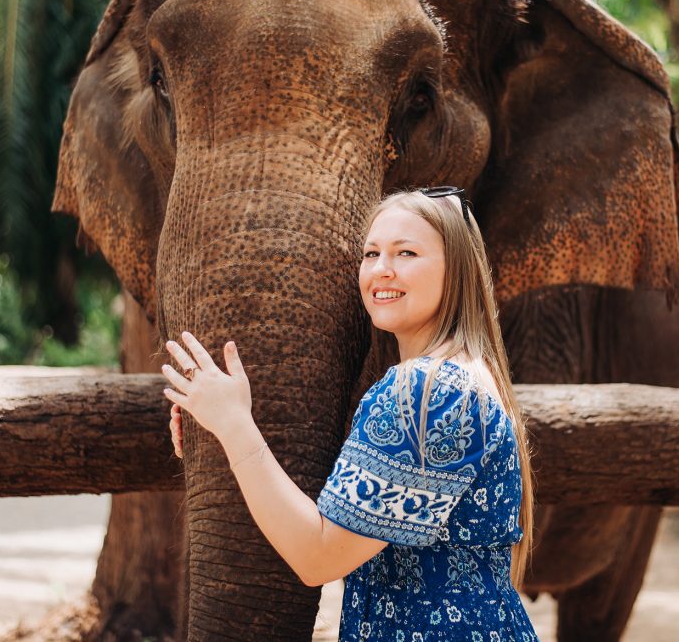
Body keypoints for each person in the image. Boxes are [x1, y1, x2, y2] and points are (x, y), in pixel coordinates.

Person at [162, 187, 539, 641]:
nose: (381, 269)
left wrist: (234, 425)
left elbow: (317, 556)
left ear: (456, 269)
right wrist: (217, 413)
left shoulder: (428, 392)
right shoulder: (466, 378)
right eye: (371, 253)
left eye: (406, 253)